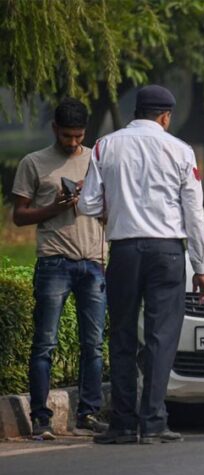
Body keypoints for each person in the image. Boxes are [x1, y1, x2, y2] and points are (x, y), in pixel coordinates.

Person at [78, 85, 204, 444]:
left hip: (123, 251)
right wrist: (200, 265)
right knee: (160, 337)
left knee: (122, 334)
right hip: (167, 253)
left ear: (136, 111)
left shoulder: (105, 146)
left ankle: (123, 423)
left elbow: (87, 204)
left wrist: (116, 208)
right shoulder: (180, 150)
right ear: (165, 116)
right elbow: (194, 213)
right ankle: (153, 421)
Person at [12, 98, 108, 440]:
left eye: (78, 136)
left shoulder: (97, 160)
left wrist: (91, 200)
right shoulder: (34, 163)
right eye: (67, 135)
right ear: (55, 129)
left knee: (93, 345)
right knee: (45, 343)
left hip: (93, 261)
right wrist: (55, 207)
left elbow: (110, 209)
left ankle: (88, 413)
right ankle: (41, 417)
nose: (72, 142)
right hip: (54, 260)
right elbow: (19, 215)